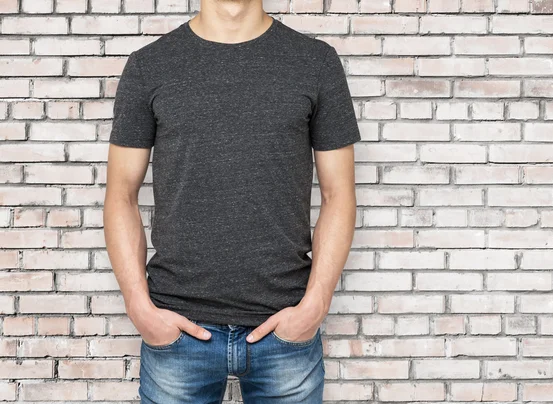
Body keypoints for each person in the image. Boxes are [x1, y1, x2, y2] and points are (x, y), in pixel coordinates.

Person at [103, 0, 361, 402]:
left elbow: (339, 193)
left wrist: (315, 305)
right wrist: (140, 307)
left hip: (285, 330)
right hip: (177, 329)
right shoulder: (149, 66)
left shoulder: (315, 62)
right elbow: (120, 195)